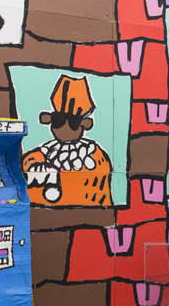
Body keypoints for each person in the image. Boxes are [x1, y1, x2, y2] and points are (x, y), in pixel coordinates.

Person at [21, 73, 113, 206]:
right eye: (58, 121)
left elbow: (98, 188)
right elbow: (28, 163)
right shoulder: (42, 153)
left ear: (83, 125)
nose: (65, 127)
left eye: (73, 123)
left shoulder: (95, 156)